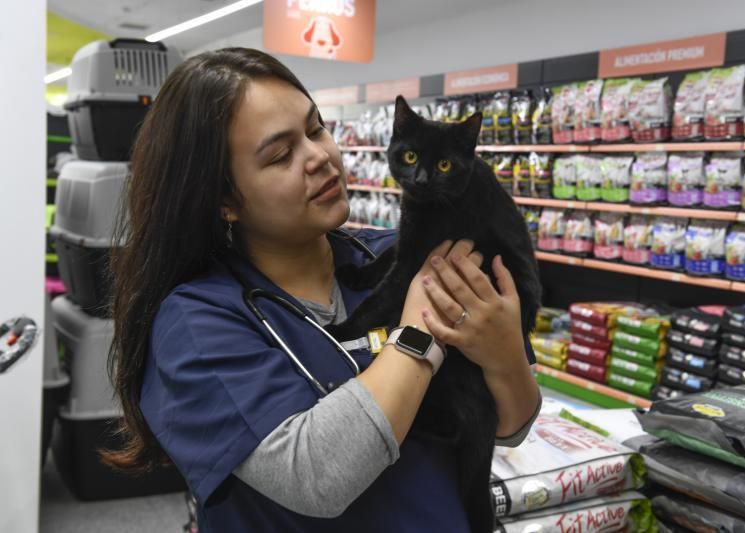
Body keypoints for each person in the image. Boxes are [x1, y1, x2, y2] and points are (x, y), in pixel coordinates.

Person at [103, 47, 541, 532]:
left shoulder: (394, 254)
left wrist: (504, 356)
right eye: (281, 155)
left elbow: (512, 424)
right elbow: (317, 476)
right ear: (224, 199)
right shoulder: (197, 322)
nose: (319, 158)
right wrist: (421, 329)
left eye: (316, 129)